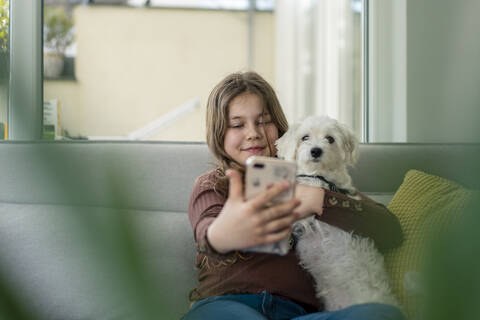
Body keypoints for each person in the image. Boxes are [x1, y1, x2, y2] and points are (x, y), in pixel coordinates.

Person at [184, 71, 405, 320]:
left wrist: (318, 199)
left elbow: (390, 230)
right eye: (237, 125)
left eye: (264, 121)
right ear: (218, 133)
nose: (253, 133)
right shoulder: (214, 184)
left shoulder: (314, 175)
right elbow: (206, 232)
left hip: (297, 314)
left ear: (278, 125)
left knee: (381, 315)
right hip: (227, 304)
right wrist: (224, 233)